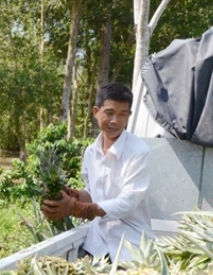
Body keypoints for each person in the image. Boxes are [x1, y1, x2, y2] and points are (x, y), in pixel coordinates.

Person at [41, 82, 153, 262]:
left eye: (122, 114)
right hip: (96, 248)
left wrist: (76, 208)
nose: (115, 121)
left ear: (129, 116)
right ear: (96, 112)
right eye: (109, 113)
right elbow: (93, 194)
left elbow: (127, 203)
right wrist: (72, 194)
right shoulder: (91, 152)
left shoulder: (139, 151)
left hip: (130, 250)